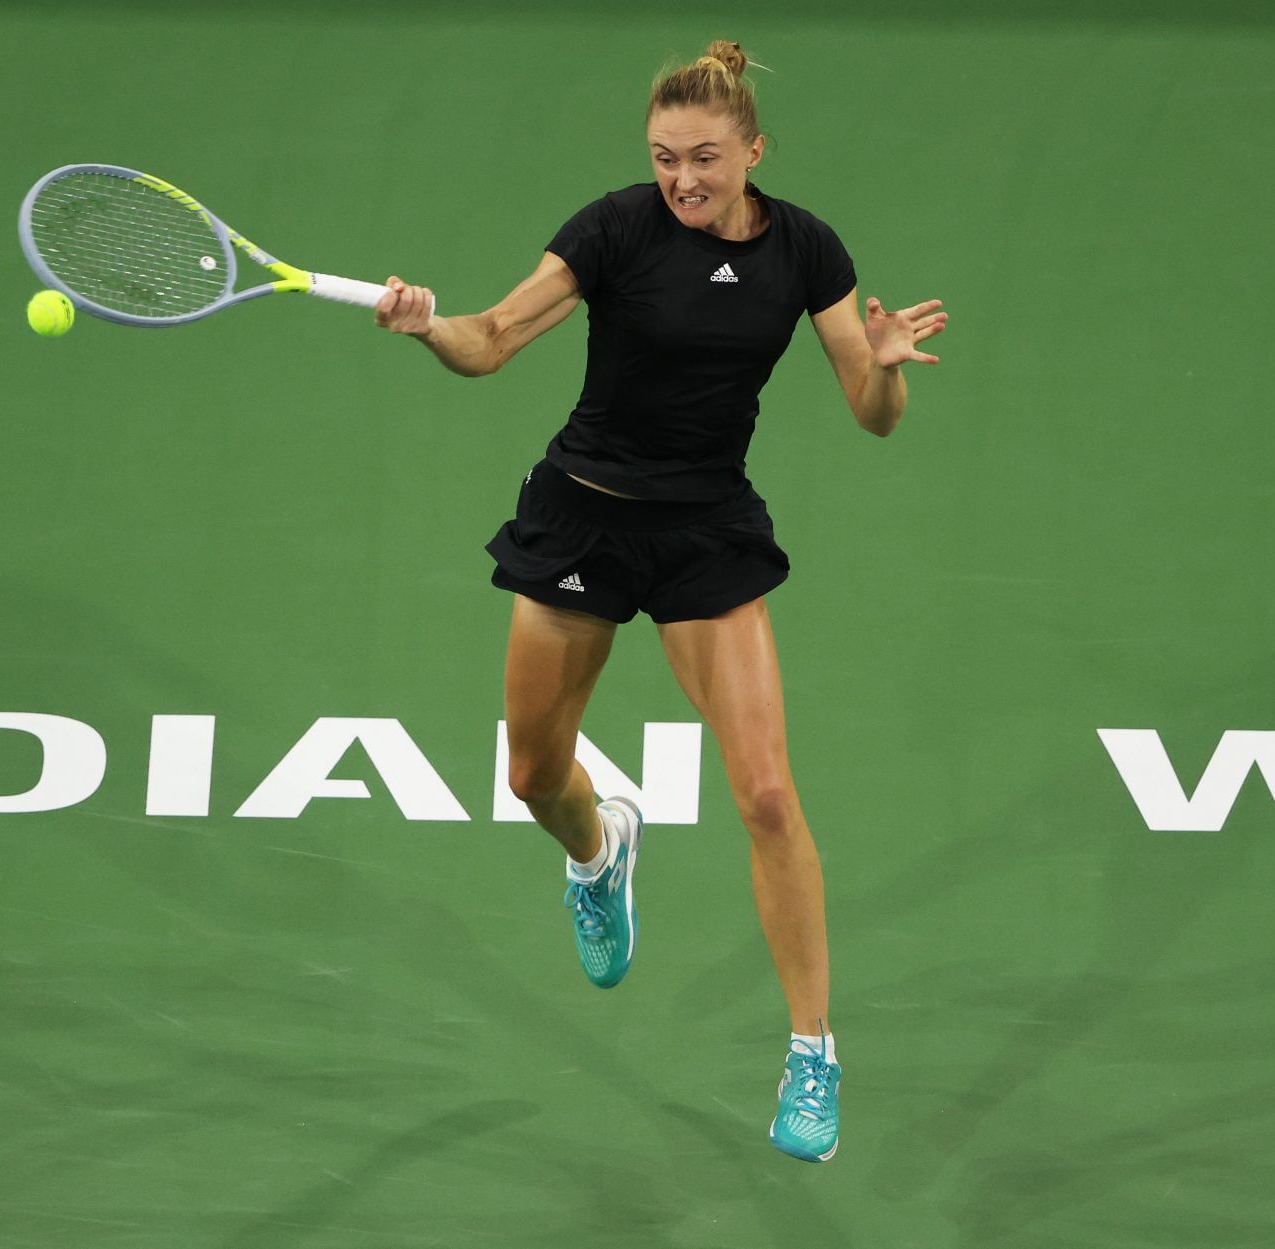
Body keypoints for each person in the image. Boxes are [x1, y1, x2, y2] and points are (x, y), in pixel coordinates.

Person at [372, 39, 945, 1163]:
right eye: (665, 159)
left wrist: (878, 366)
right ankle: (599, 851)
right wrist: (427, 323)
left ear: (753, 152)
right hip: (582, 514)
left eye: (706, 160)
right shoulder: (615, 227)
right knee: (534, 773)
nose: (684, 179)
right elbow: (490, 340)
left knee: (770, 794)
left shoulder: (808, 252)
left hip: (702, 533)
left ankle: (814, 1051)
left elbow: (873, 416)